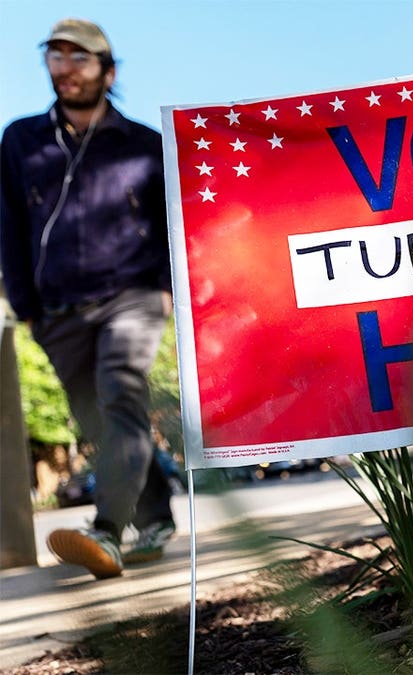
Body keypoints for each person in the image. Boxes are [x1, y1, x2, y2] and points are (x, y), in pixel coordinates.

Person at [0, 18, 176, 579]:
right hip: (56, 311)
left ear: (108, 71)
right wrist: (26, 307)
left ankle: (106, 531)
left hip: (132, 297)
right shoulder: (20, 140)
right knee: (99, 420)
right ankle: (157, 518)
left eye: (80, 57)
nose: (66, 67)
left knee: (119, 394)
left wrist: (166, 289)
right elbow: (9, 227)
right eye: (55, 56)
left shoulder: (145, 145)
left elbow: (172, 224)